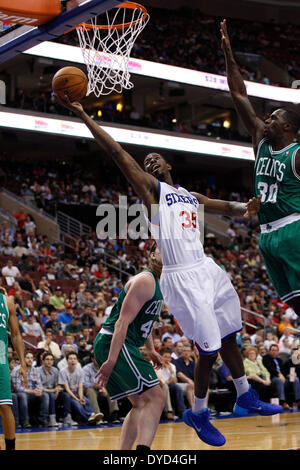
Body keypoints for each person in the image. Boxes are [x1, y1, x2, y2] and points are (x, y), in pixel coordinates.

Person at [55, 92, 282, 447]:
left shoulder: (188, 194)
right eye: (146, 162)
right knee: (207, 349)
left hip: (208, 269)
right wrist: (84, 115)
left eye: (155, 158)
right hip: (181, 275)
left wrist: (246, 208)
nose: (150, 162)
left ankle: (243, 393)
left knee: (229, 335)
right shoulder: (152, 192)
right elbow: (118, 154)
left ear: (169, 164)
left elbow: (221, 206)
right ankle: (199, 413)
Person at [221, 19, 300, 316]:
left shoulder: (297, 154)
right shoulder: (261, 141)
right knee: (292, 301)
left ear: (289, 127)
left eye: (274, 118)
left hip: (293, 229)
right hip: (266, 234)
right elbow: (239, 95)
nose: (267, 120)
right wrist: (229, 55)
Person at [93, 243, 165, 451]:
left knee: (141, 403)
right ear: (152, 255)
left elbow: (145, 321)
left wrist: (151, 349)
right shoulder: (146, 280)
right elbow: (121, 322)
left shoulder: (159, 283)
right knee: (157, 398)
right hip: (114, 342)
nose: (166, 251)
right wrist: (111, 361)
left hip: (121, 343)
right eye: (161, 249)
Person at [0, 287, 27, 450]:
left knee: (4, 406)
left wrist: (23, 363)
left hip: (0, 359)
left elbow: (16, 335)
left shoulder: (6, 301)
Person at [58, 351, 99, 426]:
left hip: (77, 391)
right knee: (77, 404)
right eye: (70, 359)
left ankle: (93, 414)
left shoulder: (80, 371)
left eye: (74, 358)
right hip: (67, 393)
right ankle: (88, 419)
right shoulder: (63, 372)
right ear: (67, 361)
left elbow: (80, 387)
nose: (73, 360)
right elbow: (67, 389)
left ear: (77, 360)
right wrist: (77, 399)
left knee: (86, 401)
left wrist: (81, 397)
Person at [11, 350, 49, 428]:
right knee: (23, 396)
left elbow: (39, 385)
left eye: (31, 358)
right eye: (27, 358)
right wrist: (32, 391)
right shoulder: (16, 370)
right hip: (21, 393)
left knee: (45, 395)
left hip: (32, 393)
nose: (30, 360)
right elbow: (17, 388)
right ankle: (25, 421)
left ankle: (42, 419)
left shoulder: (35, 370)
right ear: (22, 359)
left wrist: (39, 390)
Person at [82, 353, 120, 424]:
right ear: (92, 359)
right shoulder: (86, 368)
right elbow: (84, 383)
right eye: (96, 358)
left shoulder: (106, 367)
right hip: (92, 389)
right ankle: (97, 415)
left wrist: (103, 387)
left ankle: (114, 414)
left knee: (111, 389)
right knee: (90, 391)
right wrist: (94, 385)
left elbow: (111, 380)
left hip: (103, 388)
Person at [263, 344, 299, 409]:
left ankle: (298, 400)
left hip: (283, 379)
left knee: (295, 379)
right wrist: (279, 374)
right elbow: (270, 369)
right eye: (273, 350)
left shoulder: (280, 360)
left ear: (278, 352)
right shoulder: (266, 359)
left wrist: (288, 375)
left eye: (276, 350)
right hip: (273, 379)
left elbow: (284, 371)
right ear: (269, 351)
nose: (274, 352)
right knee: (278, 380)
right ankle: (282, 402)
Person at [36, 352, 60, 426]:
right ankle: (45, 419)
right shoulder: (37, 370)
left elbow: (57, 384)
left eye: (51, 360)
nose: (49, 361)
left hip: (51, 391)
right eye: (47, 359)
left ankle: (66, 417)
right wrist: (53, 391)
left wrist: (57, 390)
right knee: (48, 395)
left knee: (66, 396)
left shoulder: (55, 370)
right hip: (40, 391)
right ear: (42, 361)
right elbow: (39, 387)